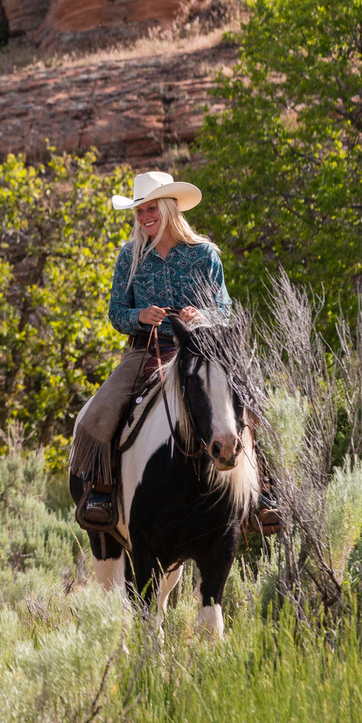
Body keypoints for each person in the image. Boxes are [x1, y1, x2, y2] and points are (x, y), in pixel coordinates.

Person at [69, 171, 278, 535]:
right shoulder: (129, 257)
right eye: (139, 211)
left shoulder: (205, 255)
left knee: (258, 406)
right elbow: (117, 313)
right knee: (95, 416)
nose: (145, 216)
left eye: (152, 208)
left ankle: (264, 494)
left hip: (203, 352)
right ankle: (101, 491)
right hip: (148, 350)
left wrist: (203, 316)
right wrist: (140, 316)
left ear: (168, 208)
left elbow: (224, 309)